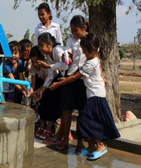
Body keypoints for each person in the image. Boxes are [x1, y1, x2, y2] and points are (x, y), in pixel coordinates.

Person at [50, 33, 120, 160]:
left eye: (84, 50)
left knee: (85, 121)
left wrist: (58, 84)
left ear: (92, 49)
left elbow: (73, 77)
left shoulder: (90, 64)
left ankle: (100, 145)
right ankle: (92, 147)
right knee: (87, 121)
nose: (83, 53)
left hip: (96, 96)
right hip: (95, 95)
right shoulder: (94, 59)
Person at [55, 15, 88, 151]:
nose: (74, 33)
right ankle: (65, 139)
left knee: (82, 111)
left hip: (83, 79)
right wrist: (65, 56)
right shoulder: (70, 40)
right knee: (66, 110)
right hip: (70, 76)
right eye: (72, 31)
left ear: (84, 28)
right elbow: (67, 54)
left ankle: (80, 141)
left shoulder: (90, 39)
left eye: (76, 30)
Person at [31, 32, 68, 139]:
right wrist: (42, 89)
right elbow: (52, 73)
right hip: (59, 79)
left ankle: (63, 134)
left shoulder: (57, 50)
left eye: (41, 45)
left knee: (64, 108)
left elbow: (64, 65)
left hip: (67, 78)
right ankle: (62, 135)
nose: (40, 48)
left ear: (49, 45)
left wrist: (48, 65)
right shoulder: (48, 55)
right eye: (39, 45)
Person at [16, 39, 32, 104]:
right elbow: (21, 76)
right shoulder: (18, 61)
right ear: (21, 51)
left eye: (29, 52)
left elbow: (26, 74)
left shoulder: (26, 60)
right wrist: (25, 89)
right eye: (26, 52)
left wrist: (27, 62)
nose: (28, 54)